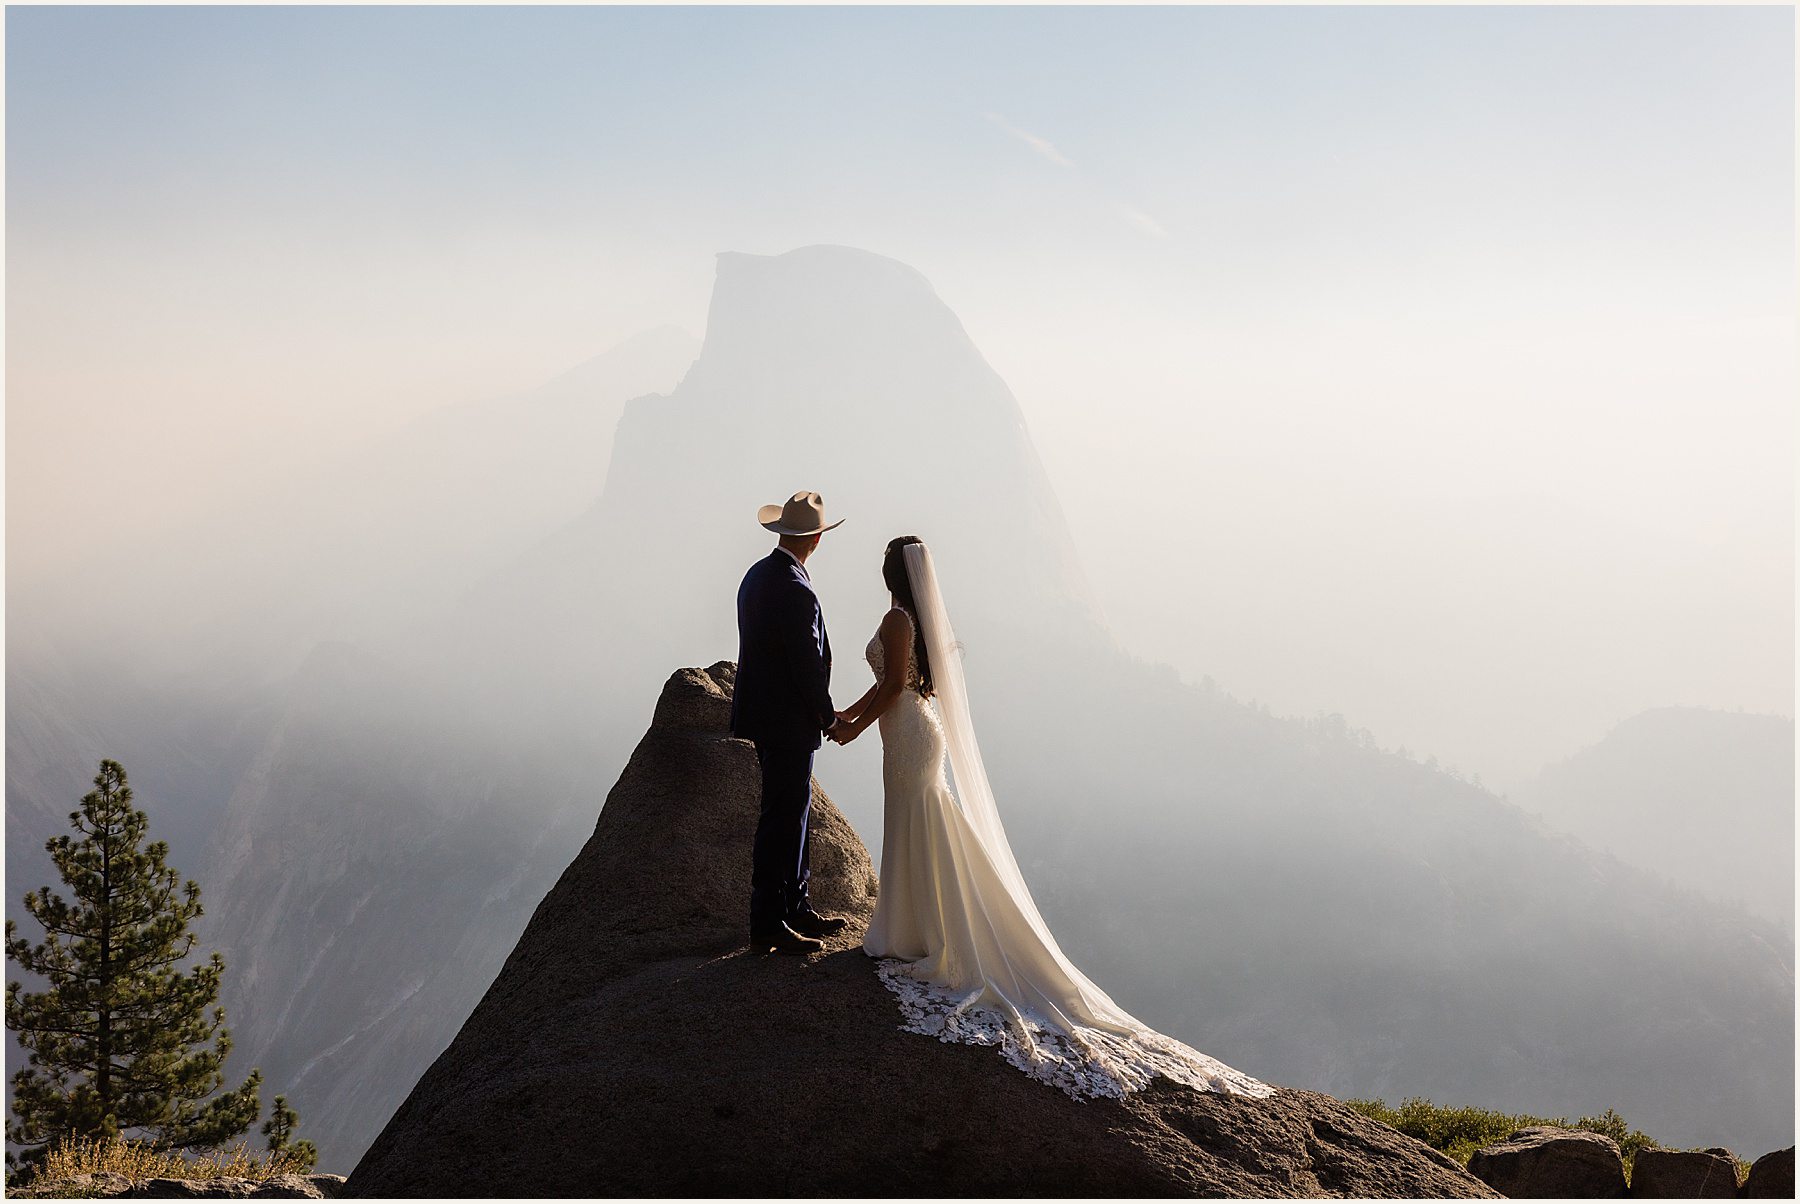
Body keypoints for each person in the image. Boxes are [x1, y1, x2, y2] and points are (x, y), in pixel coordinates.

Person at [829, 535, 1275, 1100]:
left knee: (920, 819)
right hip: (912, 728)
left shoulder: (896, 621)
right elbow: (893, 685)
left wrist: (851, 726)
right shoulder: (908, 621)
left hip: (908, 732)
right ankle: (919, 926)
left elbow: (893, 685)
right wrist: (850, 714)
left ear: (891, 572)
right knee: (924, 821)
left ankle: (921, 931)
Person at [730, 490, 852, 955]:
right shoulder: (796, 587)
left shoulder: (757, 576)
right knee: (783, 816)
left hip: (766, 716)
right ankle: (770, 921)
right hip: (788, 720)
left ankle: (795, 907)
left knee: (792, 811)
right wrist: (827, 715)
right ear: (816, 538)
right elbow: (804, 663)